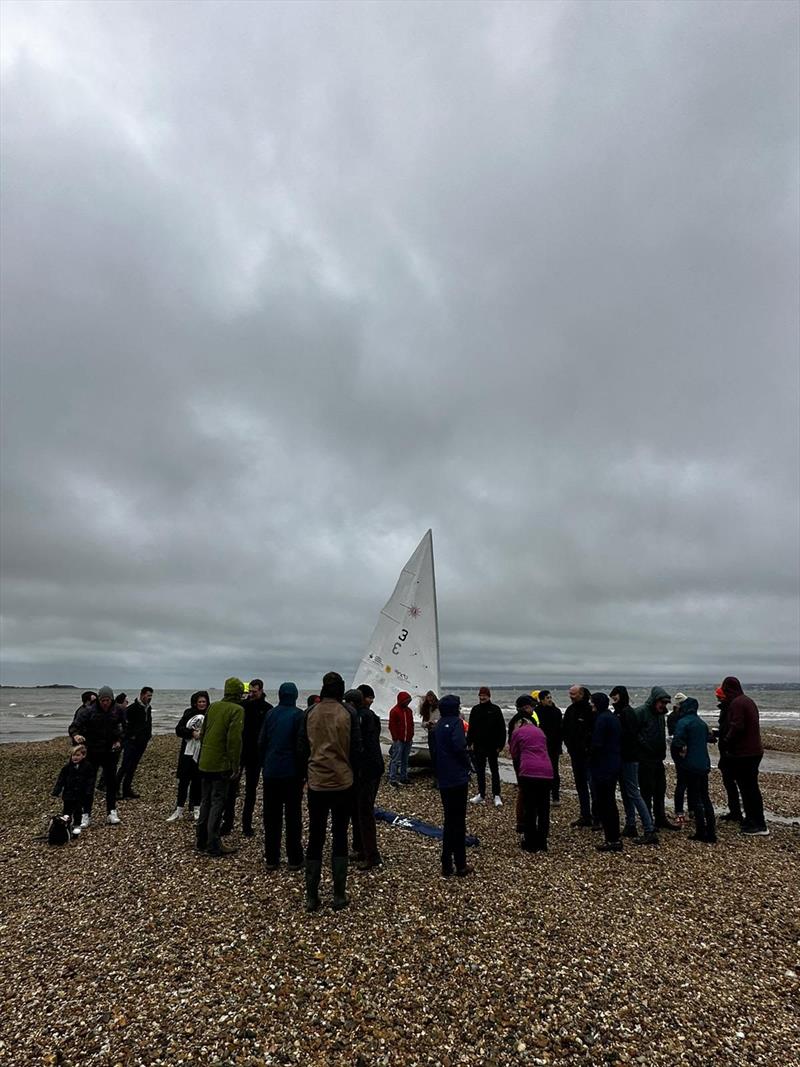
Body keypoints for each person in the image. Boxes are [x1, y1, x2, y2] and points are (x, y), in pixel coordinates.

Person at [297, 672, 361, 911]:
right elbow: (357, 749)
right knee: (340, 834)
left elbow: (301, 749)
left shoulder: (310, 713)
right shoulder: (349, 713)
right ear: (341, 689)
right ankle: (338, 894)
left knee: (316, 834)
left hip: (317, 782)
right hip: (343, 782)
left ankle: (312, 897)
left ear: (323, 689)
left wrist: (305, 775)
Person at [196, 677, 244, 858]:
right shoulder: (237, 710)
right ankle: (213, 844)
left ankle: (200, 840)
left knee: (205, 801)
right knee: (217, 802)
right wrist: (235, 764)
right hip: (220, 764)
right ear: (239, 693)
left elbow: (203, 733)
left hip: (205, 762)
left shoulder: (213, 706)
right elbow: (234, 740)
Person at [259, 682, 305, 870]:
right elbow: (302, 747)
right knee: (293, 816)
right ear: (294, 696)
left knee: (271, 816)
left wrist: (265, 763)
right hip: (291, 773)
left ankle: (272, 858)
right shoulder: (298, 716)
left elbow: (261, 741)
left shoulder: (271, 714)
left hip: (271, 772)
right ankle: (294, 858)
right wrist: (304, 773)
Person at [719, 677, 768, 836]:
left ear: (729, 689)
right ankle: (752, 819)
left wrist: (726, 741)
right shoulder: (747, 701)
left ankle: (758, 824)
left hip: (745, 753)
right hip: (754, 751)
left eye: (725, 689)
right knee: (751, 788)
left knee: (748, 789)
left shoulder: (737, 703)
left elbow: (737, 726)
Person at [69, 685, 124, 826]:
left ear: (112, 700)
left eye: (108, 700)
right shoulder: (88, 711)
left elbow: (126, 728)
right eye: (103, 700)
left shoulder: (118, 710)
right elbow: (74, 726)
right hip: (92, 751)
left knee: (111, 783)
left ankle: (111, 812)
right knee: (89, 783)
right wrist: (76, 735)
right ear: (99, 700)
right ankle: (86, 815)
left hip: (110, 751)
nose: (105, 703)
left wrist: (119, 740)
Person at [223, 678, 272, 837]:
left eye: (254, 691)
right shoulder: (242, 706)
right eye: (249, 691)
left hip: (255, 755)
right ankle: (228, 822)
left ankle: (247, 824)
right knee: (231, 789)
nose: (251, 694)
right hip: (239, 753)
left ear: (261, 690)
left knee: (251, 791)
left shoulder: (267, 709)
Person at [610, 686, 658, 845]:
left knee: (633, 792)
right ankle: (631, 825)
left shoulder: (626, 712)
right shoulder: (620, 712)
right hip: (624, 757)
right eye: (612, 697)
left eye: (615, 696)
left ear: (621, 696)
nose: (613, 699)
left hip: (629, 758)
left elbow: (630, 735)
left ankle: (649, 829)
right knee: (626, 792)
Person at [434, 695, 474, 877]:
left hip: (443, 778)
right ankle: (460, 864)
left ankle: (447, 862)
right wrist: (468, 765)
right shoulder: (456, 723)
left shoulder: (438, 725)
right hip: (457, 778)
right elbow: (459, 747)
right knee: (457, 821)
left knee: (449, 819)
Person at [672, 697, 716, 844]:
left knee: (696, 798)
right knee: (705, 798)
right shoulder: (701, 723)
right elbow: (708, 738)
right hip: (704, 764)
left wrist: (682, 749)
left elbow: (677, 740)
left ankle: (701, 831)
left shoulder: (684, 722)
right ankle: (711, 831)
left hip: (690, 764)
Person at [509, 708, 553, 853]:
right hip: (546, 770)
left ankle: (530, 842)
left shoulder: (517, 732)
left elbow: (514, 752)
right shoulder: (540, 732)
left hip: (529, 771)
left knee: (530, 807)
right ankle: (542, 841)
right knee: (544, 807)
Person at [635, 686, 679, 831]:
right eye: (662, 702)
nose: (664, 705)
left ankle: (660, 819)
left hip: (658, 758)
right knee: (647, 792)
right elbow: (633, 733)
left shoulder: (661, 714)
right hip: (645, 759)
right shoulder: (641, 712)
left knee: (660, 790)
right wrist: (645, 746)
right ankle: (648, 821)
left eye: (666, 703)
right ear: (655, 700)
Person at [352, 684, 385, 869]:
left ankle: (372, 855)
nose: (371, 701)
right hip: (373, 768)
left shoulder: (362, 717)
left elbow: (359, 745)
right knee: (360, 810)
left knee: (364, 811)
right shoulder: (371, 717)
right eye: (369, 697)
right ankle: (361, 848)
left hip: (367, 770)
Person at [167, 691, 209, 822]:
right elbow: (178, 730)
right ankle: (179, 809)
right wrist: (191, 733)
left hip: (202, 752)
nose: (202, 704)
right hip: (187, 752)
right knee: (183, 781)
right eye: (200, 702)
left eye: (204, 701)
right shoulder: (188, 713)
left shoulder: (210, 714)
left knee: (198, 781)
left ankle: (196, 808)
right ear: (195, 702)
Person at [589, 693, 623, 852]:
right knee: (609, 802)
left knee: (606, 802)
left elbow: (597, 743)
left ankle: (612, 839)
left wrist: (589, 752)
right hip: (613, 763)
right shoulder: (612, 718)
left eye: (592, 703)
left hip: (604, 765)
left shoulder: (602, 719)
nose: (591, 705)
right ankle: (613, 838)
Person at [562, 684, 596, 827]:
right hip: (575, 754)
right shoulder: (570, 710)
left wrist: (588, 748)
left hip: (589, 755)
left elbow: (594, 732)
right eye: (570, 694)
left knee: (593, 786)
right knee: (580, 786)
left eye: (573, 694)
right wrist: (569, 746)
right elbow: (564, 730)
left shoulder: (590, 710)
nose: (571, 696)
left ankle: (597, 816)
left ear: (581, 694)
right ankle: (585, 815)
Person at [467, 686, 506, 807]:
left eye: (484, 695)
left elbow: (502, 728)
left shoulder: (495, 709)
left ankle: (497, 795)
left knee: (495, 771)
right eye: (480, 695)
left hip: (493, 746)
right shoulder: (475, 709)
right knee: (480, 771)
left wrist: (501, 744)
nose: (482, 697)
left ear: (489, 696)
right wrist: (469, 743)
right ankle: (481, 794)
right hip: (478, 746)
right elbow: (471, 728)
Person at [117, 687, 153, 799]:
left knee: (133, 767)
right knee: (125, 766)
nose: (150, 698)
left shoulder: (148, 708)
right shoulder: (132, 708)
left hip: (142, 742)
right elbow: (124, 724)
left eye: (151, 696)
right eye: (148, 695)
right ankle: (115, 790)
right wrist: (130, 736)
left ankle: (127, 790)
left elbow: (148, 723)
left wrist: (148, 736)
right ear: (142, 695)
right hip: (131, 742)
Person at [715, 684, 744, 823]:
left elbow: (731, 729)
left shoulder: (729, 709)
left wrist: (724, 739)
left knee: (733, 783)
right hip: (728, 751)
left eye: (719, 697)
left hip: (730, 753)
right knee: (730, 784)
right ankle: (735, 811)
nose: (718, 699)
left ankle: (737, 812)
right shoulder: (727, 708)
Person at [52, 744, 95, 836]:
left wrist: (89, 790)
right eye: (73, 755)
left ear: (83, 755)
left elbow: (90, 780)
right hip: (68, 793)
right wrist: (57, 790)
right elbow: (61, 779)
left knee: (78, 810)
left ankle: (77, 825)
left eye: (78, 755)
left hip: (80, 793)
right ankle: (65, 824)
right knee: (66, 810)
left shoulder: (87, 766)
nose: (75, 757)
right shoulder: (67, 767)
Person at [536, 691, 563, 805]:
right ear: (541, 700)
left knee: (554, 772)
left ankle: (555, 796)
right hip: (541, 746)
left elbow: (560, 729)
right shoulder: (536, 712)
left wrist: (559, 743)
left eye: (550, 697)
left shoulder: (556, 711)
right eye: (547, 698)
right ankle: (542, 795)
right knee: (541, 771)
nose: (550, 699)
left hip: (554, 746)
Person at [667, 692, 689, 823]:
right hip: (681, 750)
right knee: (684, 781)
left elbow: (671, 734)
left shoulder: (672, 716)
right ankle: (681, 810)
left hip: (677, 749)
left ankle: (681, 810)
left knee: (683, 780)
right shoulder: (681, 717)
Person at [388, 691, 414, 787]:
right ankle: (392, 778)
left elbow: (411, 724)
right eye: (406, 701)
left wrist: (411, 735)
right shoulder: (394, 711)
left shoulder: (409, 711)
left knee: (405, 759)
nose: (408, 703)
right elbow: (392, 725)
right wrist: (395, 738)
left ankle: (404, 777)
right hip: (399, 739)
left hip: (408, 739)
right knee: (396, 759)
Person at [419, 691, 440, 786]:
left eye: (432, 700)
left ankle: (440, 778)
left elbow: (444, 719)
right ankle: (436, 778)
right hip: (431, 733)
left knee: (439, 756)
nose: (430, 702)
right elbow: (422, 723)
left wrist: (436, 722)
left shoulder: (440, 708)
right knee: (433, 755)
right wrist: (427, 724)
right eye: (428, 701)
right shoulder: (426, 708)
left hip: (439, 733)